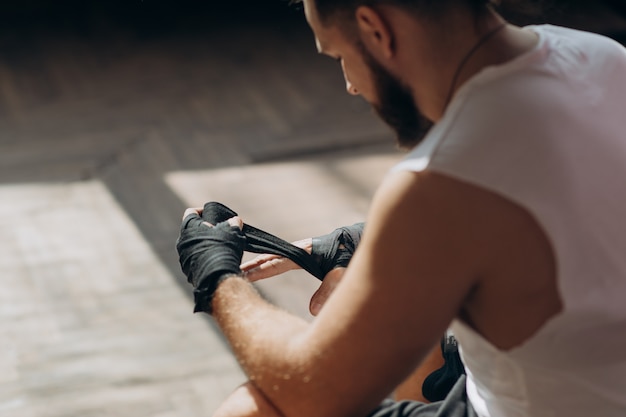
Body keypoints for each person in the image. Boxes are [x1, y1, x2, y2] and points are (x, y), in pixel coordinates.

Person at [175, 0, 626, 416]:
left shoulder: (440, 180)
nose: (350, 84)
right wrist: (370, 241)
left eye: (337, 56)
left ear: (375, 28)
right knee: (418, 340)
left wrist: (216, 275)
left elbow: (310, 390)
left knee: (252, 409)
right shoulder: (601, 57)